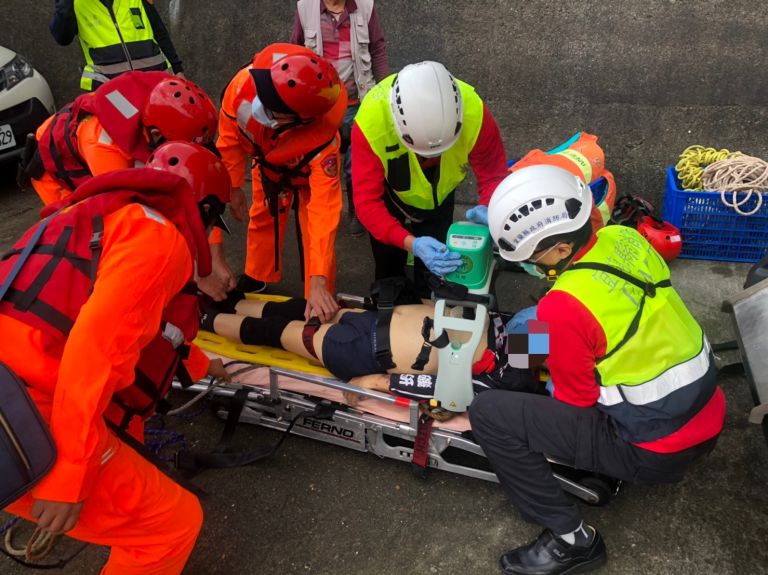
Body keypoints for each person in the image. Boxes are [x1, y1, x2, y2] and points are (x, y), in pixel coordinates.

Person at [469, 164, 726, 574]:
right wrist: (529, 348)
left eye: (531, 256)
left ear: (561, 250)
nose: (529, 266)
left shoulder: (563, 310)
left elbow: (576, 400)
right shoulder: (622, 237)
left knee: (489, 413)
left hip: (656, 448)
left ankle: (572, 541)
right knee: (532, 325)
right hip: (707, 412)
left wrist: (514, 370)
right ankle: (516, 360)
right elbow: (598, 315)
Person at [0, 141, 231, 574]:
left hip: (12, 378)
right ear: (204, 209)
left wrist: (199, 364)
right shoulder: (162, 240)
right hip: (24, 413)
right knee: (171, 525)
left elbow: (117, 320)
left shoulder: (93, 216)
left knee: (133, 454)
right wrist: (69, 476)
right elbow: (96, 348)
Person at [20, 70, 232, 300]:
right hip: (52, 174)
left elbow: (203, 194)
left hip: (99, 145)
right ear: (155, 136)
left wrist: (213, 257)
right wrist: (198, 274)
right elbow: (142, 218)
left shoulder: (175, 101)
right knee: (94, 242)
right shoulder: (104, 146)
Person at [198, 290, 542, 405]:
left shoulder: (504, 375)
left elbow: (438, 390)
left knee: (277, 331)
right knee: (299, 311)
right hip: (374, 322)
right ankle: (227, 302)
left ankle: (199, 318)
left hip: (363, 349)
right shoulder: (520, 333)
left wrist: (373, 383)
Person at [351, 60, 509, 295]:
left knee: (434, 275)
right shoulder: (372, 123)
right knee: (388, 271)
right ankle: (392, 302)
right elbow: (367, 204)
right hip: (390, 196)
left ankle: (425, 302)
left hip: (440, 197)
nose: (433, 158)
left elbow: (493, 174)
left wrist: (491, 207)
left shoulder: (474, 112)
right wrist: (411, 243)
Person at [217, 43, 347, 322]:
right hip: (266, 162)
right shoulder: (242, 87)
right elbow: (229, 141)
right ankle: (257, 274)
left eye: (276, 111)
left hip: (306, 174)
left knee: (315, 230)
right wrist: (234, 187)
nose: (263, 109)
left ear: (303, 120)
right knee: (264, 213)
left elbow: (325, 211)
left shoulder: (322, 144)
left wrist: (319, 279)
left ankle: (319, 292)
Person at [290, 0, 389, 235]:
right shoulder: (305, 7)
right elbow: (295, 50)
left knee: (357, 165)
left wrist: (384, 91)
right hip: (322, 104)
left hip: (360, 101)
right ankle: (323, 213)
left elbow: (377, 48)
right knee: (324, 163)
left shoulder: (365, 7)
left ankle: (358, 210)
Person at [50, 0, 184, 91]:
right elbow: (63, 38)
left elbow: (160, 32)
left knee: (164, 130)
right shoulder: (74, 4)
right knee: (125, 132)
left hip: (156, 85)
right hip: (112, 93)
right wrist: (64, 6)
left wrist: (178, 70)